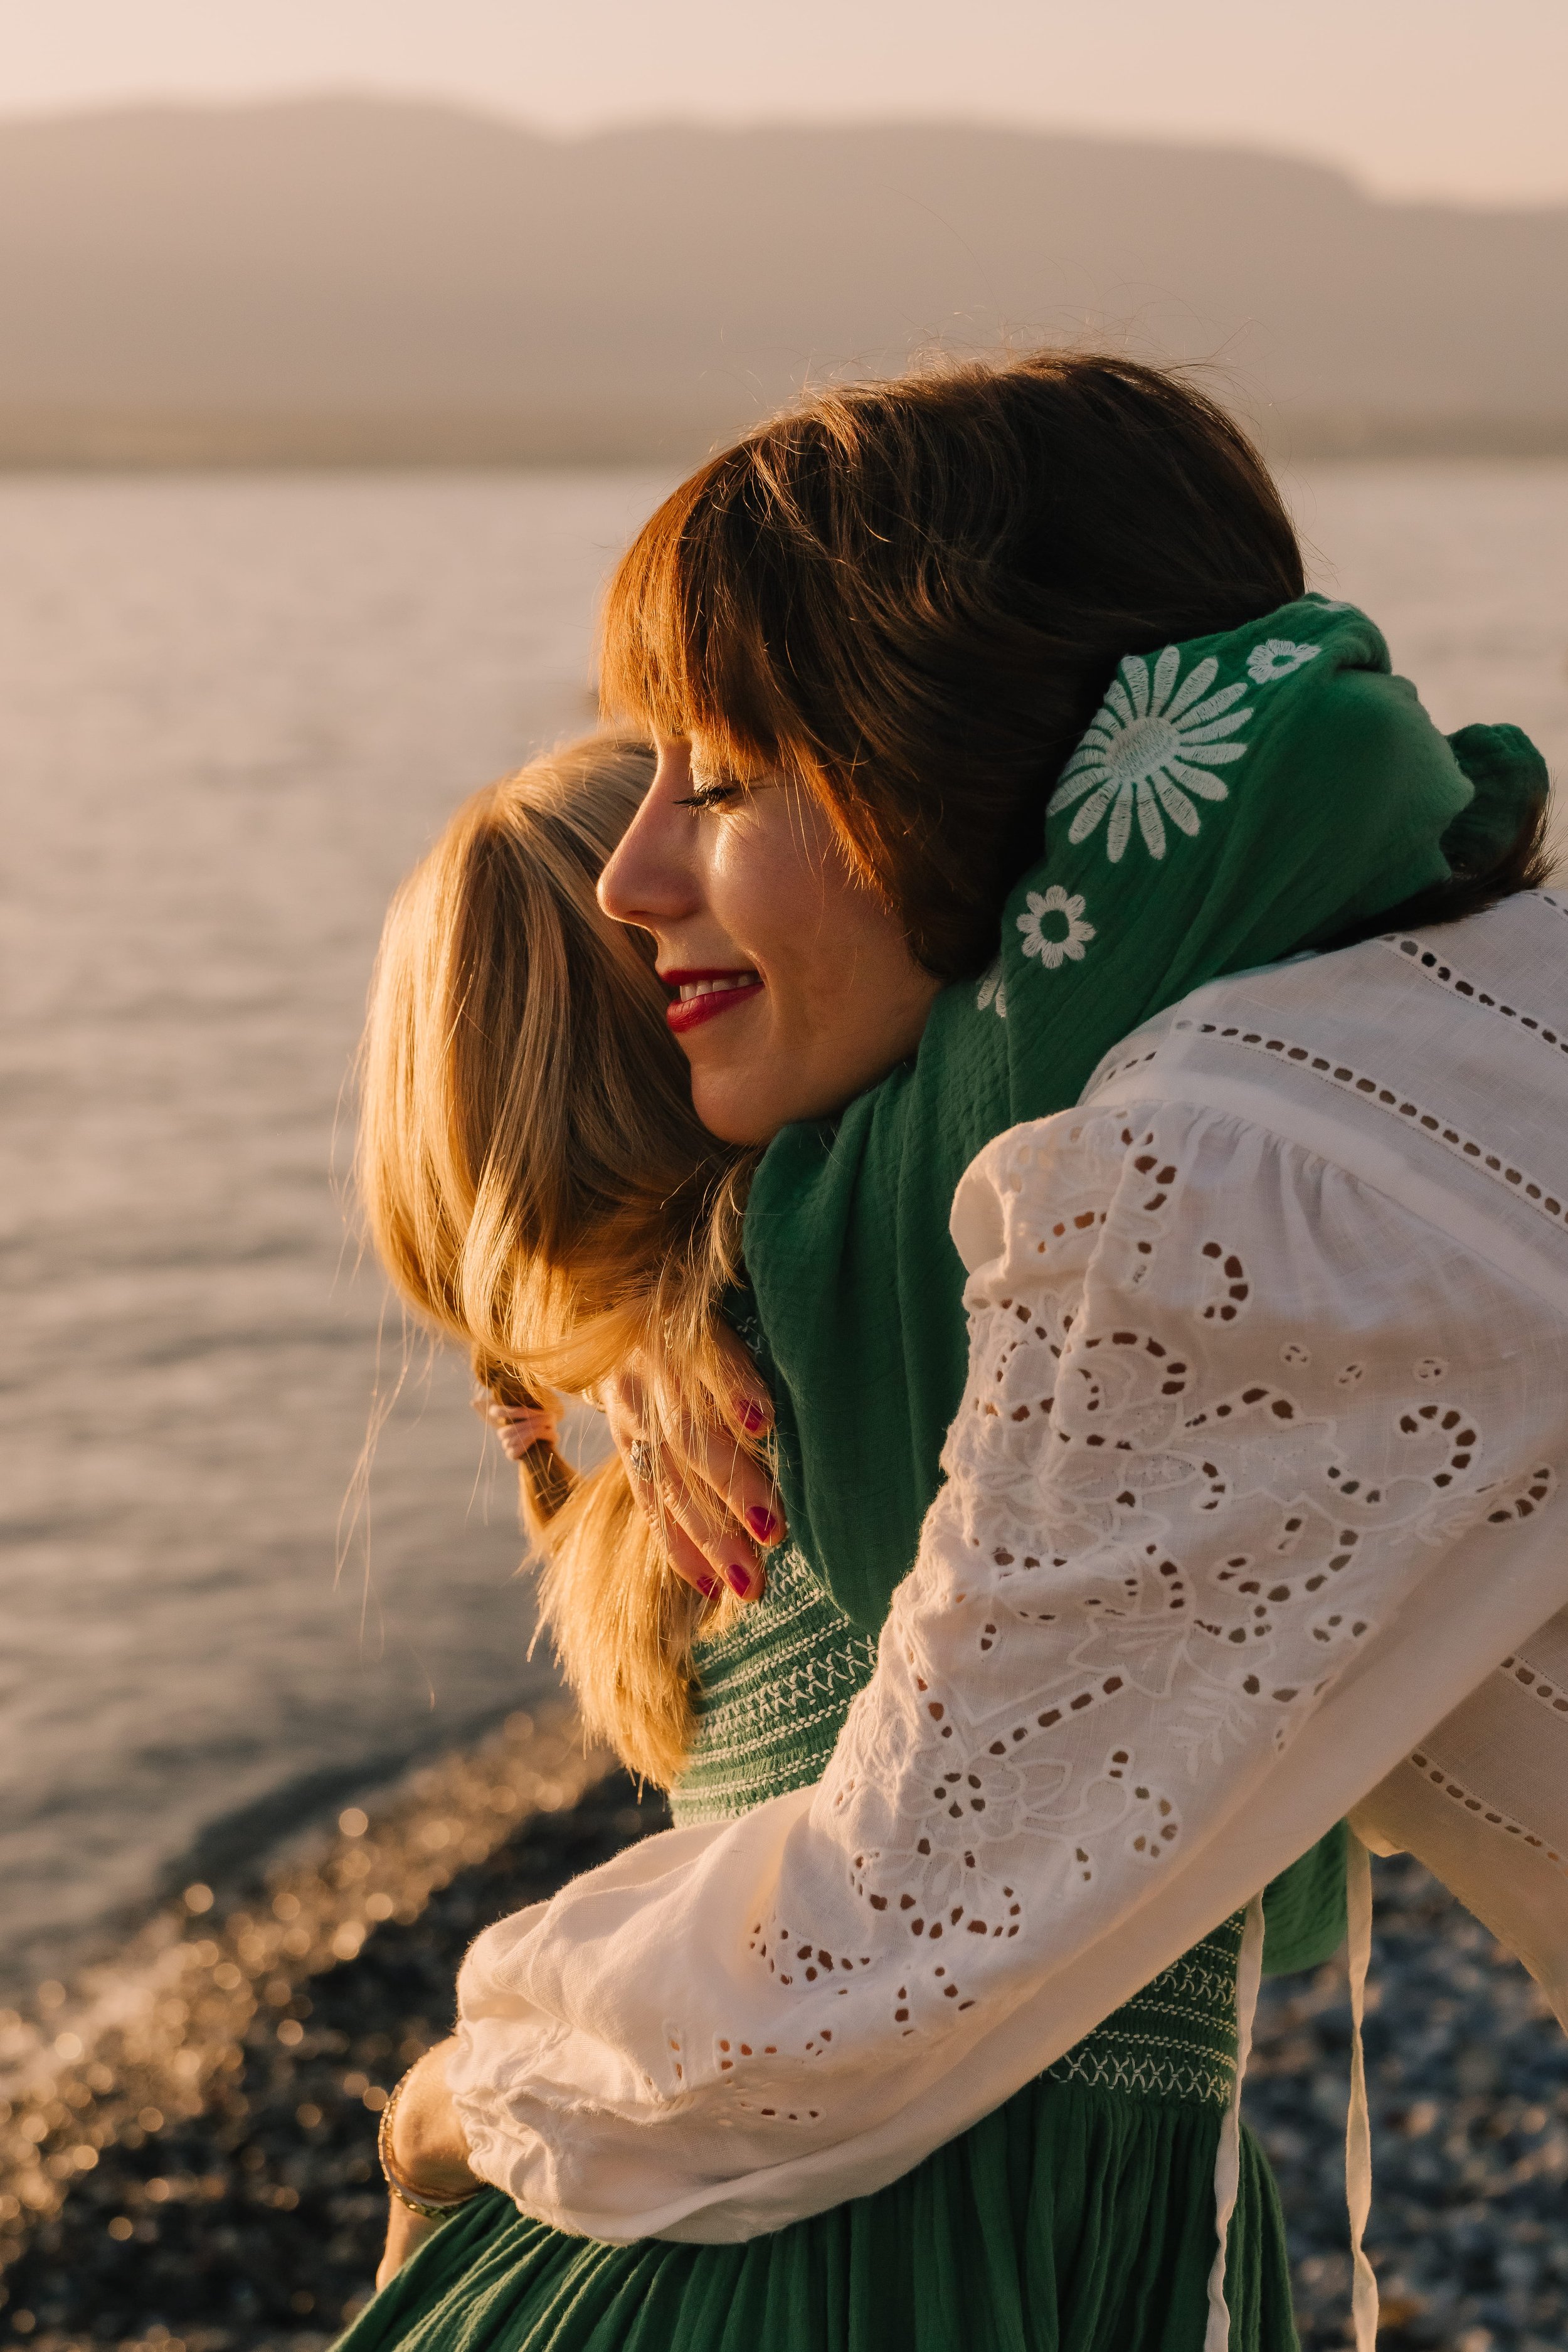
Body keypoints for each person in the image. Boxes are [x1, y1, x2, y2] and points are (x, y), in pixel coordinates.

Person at [347, 354, 1566, 2352]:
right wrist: (679, 1296)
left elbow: (872, 1974)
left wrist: (456, 2090)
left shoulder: (1214, 1172)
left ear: (948, 778)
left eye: (720, 777)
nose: (637, 875)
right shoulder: (1439, 1027)